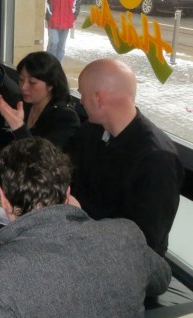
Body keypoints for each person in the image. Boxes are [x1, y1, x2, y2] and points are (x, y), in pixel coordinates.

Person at [0, 137, 171, 318]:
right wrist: (86, 219)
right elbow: (162, 280)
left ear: (3, 198)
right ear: (68, 192)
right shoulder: (127, 234)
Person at [68, 58, 184, 257]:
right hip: (81, 241)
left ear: (98, 99)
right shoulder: (91, 132)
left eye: (82, 94)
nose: (80, 101)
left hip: (124, 264)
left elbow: (146, 242)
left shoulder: (157, 159)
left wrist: (80, 212)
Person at [0, 51, 80, 162]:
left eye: (32, 82)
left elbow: (42, 160)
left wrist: (18, 127)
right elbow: (11, 146)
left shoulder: (65, 117)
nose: (23, 87)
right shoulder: (25, 105)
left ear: (51, 85)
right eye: (21, 80)